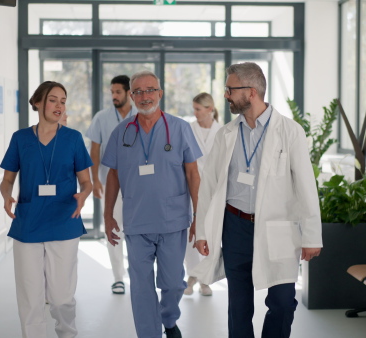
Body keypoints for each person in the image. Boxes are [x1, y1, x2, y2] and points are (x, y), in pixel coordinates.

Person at [192, 62, 323, 338]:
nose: (225, 95)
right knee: (238, 306)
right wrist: (203, 230)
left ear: (251, 91)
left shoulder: (289, 131)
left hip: (277, 227)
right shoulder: (226, 133)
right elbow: (210, 186)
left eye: (230, 89)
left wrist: (311, 236)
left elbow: (305, 186)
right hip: (235, 225)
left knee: (283, 302)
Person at [102, 70, 202, 338]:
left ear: (160, 93)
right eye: (139, 91)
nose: (145, 96)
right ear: (131, 96)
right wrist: (108, 215)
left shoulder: (180, 128)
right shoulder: (121, 132)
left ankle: (169, 318)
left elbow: (193, 174)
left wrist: (199, 216)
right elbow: (113, 174)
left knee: (172, 284)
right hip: (136, 220)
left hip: (173, 220)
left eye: (150, 90)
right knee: (141, 287)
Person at [0, 81, 93, 338]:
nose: (59, 106)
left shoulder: (73, 138)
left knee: (62, 296)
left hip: (64, 221)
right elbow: (7, 180)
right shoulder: (20, 139)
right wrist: (7, 195)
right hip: (28, 223)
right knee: (30, 296)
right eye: (53, 100)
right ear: (38, 103)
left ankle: (66, 333)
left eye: (63, 101)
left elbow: (86, 182)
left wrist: (83, 195)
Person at [85, 75, 138, 295]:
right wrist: (95, 179)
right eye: (112, 92)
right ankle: (118, 277)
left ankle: (136, 273)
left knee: (137, 230)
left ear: (129, 93)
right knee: (114, 228)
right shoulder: (102, 117)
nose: (114, 96)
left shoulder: (142, 115)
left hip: (139, 185)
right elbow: (94, 149)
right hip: (111, 183)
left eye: (118, 92)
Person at [183, 92, 221, 297]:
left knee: (211, 234)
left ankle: (205, 279)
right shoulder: (189, 129)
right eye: (194, 109)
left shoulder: (222, 131)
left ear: (209, 109)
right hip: (192, 186)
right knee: (193, 231)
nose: (195, 113)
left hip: (214, 188)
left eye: (198, 109)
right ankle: (191, 276)